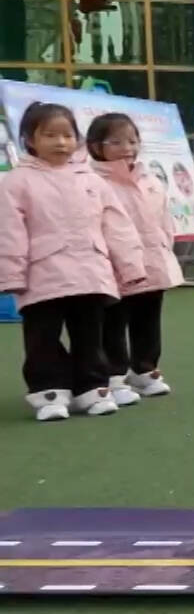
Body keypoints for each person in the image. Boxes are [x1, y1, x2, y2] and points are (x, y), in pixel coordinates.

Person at [0, 102, 146, 421]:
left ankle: (91, 390)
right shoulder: (16, 182)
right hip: (42, 276)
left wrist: (130, 267)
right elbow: (9, 231)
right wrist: (10, 275)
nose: (61, 142)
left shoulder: (91, 180)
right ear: (29, 140)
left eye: (67, 135)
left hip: (90, 273)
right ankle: (50, 392)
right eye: (50, 135)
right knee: (42, 339)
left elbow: (117, 226)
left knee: (90, 337)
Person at [88, 113, 184, 406]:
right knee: (114, 323)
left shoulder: (149, 179)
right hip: (115, 267)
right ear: (96, 146)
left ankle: (145, 369)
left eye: (132, 140)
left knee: (148, 319)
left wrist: (165, 246)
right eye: (116, 142)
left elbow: (164, 219)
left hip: (152, 263)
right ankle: (114, 376)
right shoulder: (93, 182)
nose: (127, 148)